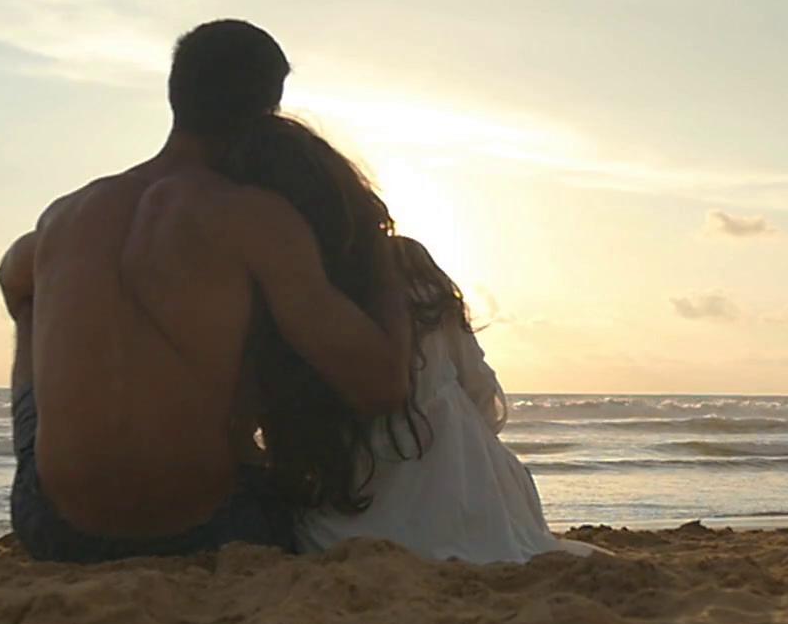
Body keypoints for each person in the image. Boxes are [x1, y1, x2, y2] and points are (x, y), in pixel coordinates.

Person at [0, 20, 410, 562]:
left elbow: (11, 278)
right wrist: (382, 251)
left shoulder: (67, 214)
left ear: (176, 94)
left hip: (54, 529)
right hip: (204, 529)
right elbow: (381, 387)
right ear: (270, 106)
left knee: (31, 304)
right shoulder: (254, 219)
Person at [218, 114, 598, 563]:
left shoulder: (272, 293)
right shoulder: (408, 268)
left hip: (342, 518)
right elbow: (479, 390)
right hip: (469, 504)